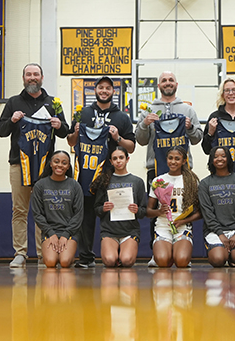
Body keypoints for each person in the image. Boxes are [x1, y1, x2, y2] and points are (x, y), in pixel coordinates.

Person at [0, 63, 69, 268]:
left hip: (46, 167)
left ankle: (42, 252)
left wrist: (59, 125)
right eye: (28, 74)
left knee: (42, 212)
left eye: (36, 74)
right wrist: (12, 120)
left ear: (42, 77)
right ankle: (20, 253)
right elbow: (1, 131)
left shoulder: (54, 102)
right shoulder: (13, 102)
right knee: (19, 210)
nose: (32, 78)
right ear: (23, 78)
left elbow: (65, 131)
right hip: (19, 164)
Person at [67, 76, 136, 269]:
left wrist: (117, 137)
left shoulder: (122, 117)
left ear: (113, 91)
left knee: (112, 214)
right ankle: (86, 257)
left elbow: (131, 147)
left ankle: (119, 254)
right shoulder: (83, 113)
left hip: (111, 175)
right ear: (95, 90)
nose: (104, 91)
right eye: (101, 87)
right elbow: (71, 142)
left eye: (108, 88)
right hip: (87, 175)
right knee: (86, 217)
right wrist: (75, 132)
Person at [135, 71, 203, 266]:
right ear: (159, 85)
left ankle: (183, 246)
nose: (167, 83)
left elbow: (198, 138)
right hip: (156, 166)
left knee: (186, 205)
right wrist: (144, 124)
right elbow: (140, 140)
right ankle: (155, 251)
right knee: (157, 209)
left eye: (171, 80)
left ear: (176, 84)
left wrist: (189, 128)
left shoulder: (187, 109)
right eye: (164, 80)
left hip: (183, 170)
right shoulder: (148, 109)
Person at [91, 147, 148, 268]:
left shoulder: (137, 181)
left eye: (121, 158)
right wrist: (103, 208)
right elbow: (96, 209)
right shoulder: (104, 180)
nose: (118, 161)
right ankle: (115, 254)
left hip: (129, 231)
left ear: (127, 159)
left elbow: (144, 211)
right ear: (111, 162)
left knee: (127, 261)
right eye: (115, 158)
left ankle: (123, 254)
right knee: (109, 261)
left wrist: (137, 210)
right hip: (109, 231)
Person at [147, 146, 201, 268]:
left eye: (177, 159)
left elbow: (200, 213)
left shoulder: (192, 181)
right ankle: (166, 252)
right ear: (166, 159)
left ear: (183, 161)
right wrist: (159, 211)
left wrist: (184, 221)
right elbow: (148, 211)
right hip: (162, 227)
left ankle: (179, 253)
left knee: (181, 262)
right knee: (162, 261)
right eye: (170, 158)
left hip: (182, 227)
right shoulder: (158, 180)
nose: (173, 161)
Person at [198, 146, 235, 268]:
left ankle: (233, 254)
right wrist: (220, 234)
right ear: (211, 160)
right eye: (216, 156)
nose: (219, 159)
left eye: (223, 156)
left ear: (229, 159)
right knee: (217, 260)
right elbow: (207, 213)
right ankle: (223, 253)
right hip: (215, 231)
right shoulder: (205, 183)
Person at [31, 151, 84, 268]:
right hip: (50, 232)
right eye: (56, 161)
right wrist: (51, 233)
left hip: (69, 231)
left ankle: (69, 255)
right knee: (50, 262)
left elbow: (78, 215)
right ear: (50, 163)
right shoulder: (40, 185)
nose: (60, 165)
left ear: (68, 166)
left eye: (64, 163)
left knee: (64, 262)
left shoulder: (75, 185)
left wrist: (66, 234)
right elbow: (37, 214)